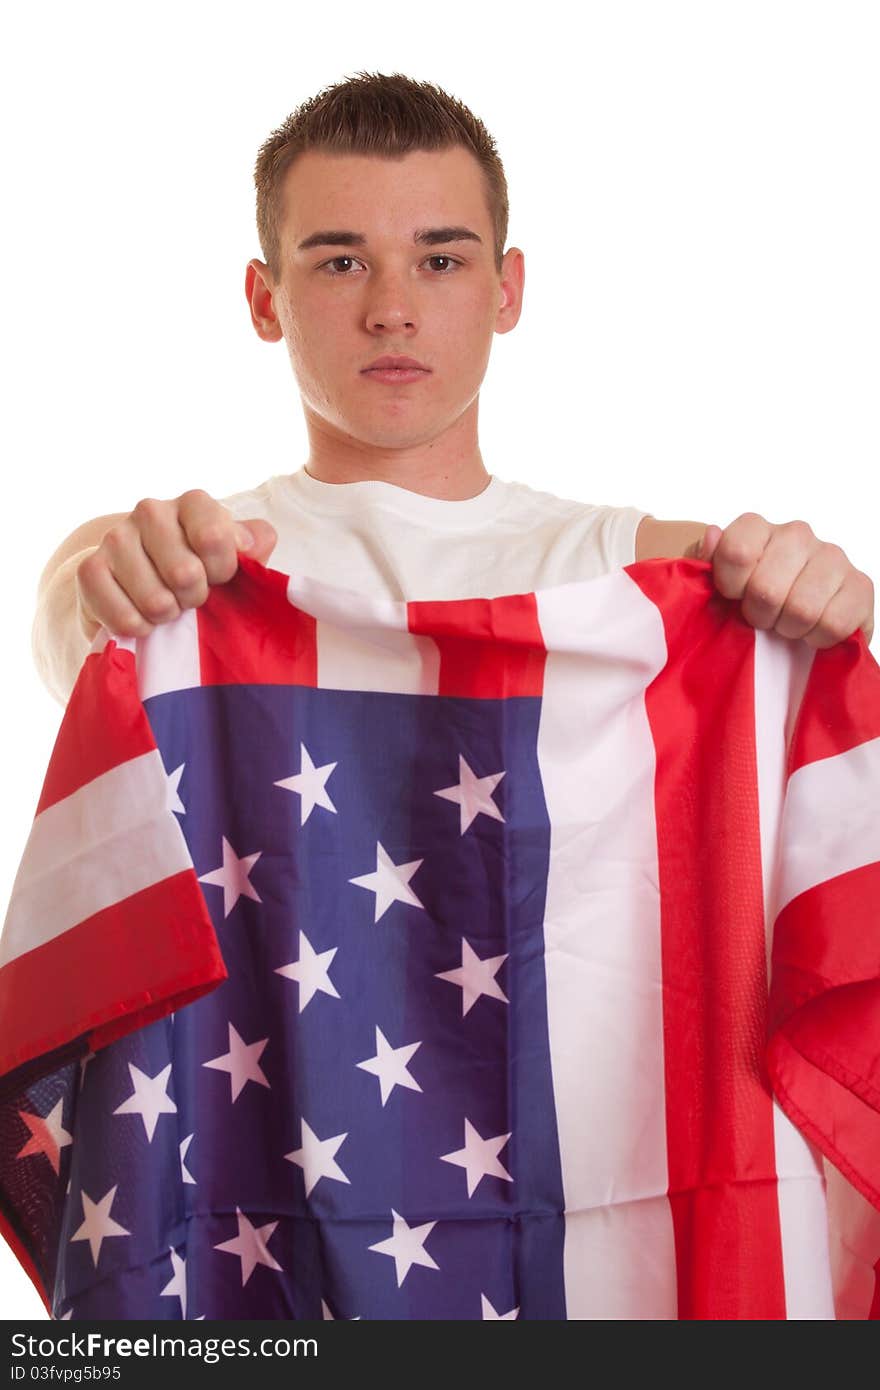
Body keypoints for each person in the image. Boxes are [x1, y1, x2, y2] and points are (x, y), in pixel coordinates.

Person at [31, 70, 874, 709]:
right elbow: (70, 622)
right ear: (265, 302)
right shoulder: (186, 566)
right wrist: (99, 588)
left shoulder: (653, 575)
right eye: (341, 263)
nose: (391, 311)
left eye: (440, 261)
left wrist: (818, 603)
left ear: (506, 291)